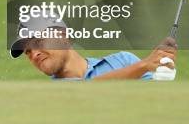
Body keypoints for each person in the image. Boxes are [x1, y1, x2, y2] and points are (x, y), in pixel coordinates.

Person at [10, 20, 177, 80]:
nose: (34, 53)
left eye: (39, 41)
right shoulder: (54, 94)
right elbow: (88, 90)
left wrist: (160, 79)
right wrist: (144, 66)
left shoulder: (123, 61)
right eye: (27, 51)